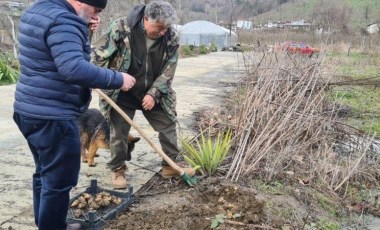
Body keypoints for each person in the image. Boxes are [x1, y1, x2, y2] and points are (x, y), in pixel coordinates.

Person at [13, 0, 136, 229]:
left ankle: (48, 224)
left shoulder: (39, 10)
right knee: (59, 181)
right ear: (81, 2)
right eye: (96, 10)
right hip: (53, 116)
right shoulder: (65, 20)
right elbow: (73, 68)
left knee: (44, 173)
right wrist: (117, 79)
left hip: (28, 110)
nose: (95, 16)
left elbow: (57, 52)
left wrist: (84, 29)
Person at [91, 0, 195, 189]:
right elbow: (98, 55)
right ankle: (118, 169)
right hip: (123, 91)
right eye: (159, 27)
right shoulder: (121, 28)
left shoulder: (170, 36)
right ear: (146, 19)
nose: (163, 32)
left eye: (166, 28)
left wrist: (154, 93)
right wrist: (102, 78)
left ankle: (170, 165)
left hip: (153, 92)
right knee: (118, 132)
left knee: (168, 125)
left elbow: (169, 69)